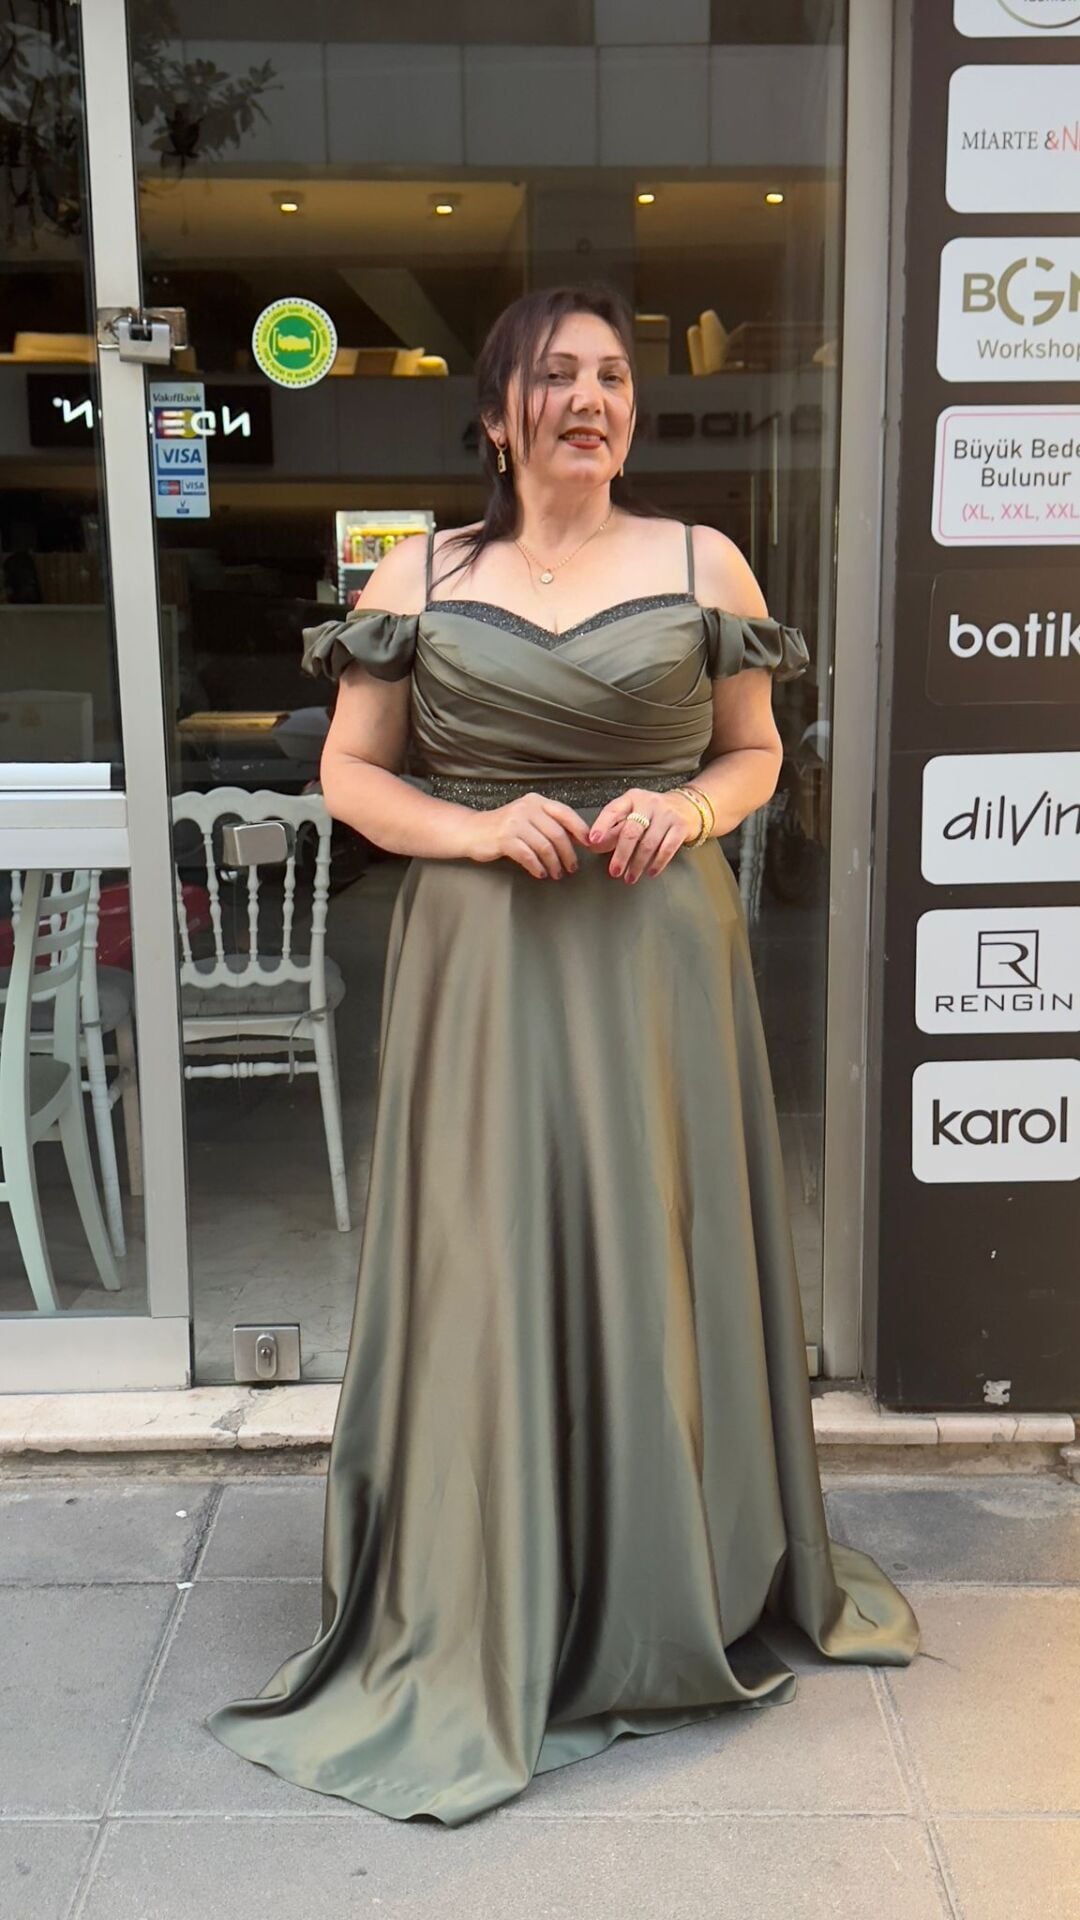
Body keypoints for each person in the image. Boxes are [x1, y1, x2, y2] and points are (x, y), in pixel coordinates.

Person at [204, 282, 920, 1827]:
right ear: (496, 415)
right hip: (482, 961)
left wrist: (698, 807)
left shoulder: (703, 562)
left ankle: (663, 1571)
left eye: (612, 376)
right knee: (490, 1253)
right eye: (556, 376)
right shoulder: (418, 575)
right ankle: (487, 1570)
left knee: (653, 1244)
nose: (590, 398)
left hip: (656, 956)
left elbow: (754, 748)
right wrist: (471, 828)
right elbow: (351, 777)